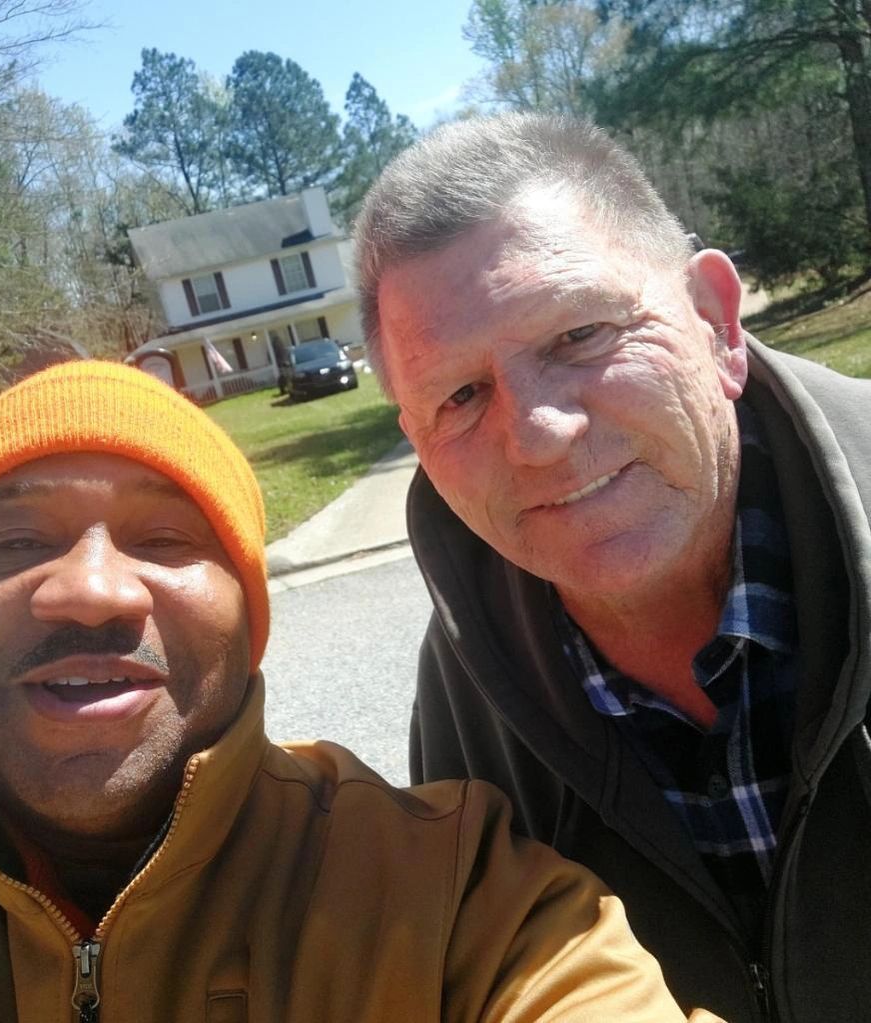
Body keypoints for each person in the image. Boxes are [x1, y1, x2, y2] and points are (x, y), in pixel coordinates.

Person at [0, 360, 713, 1022]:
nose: (94, 588)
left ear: (249, 620)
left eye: (164, 537)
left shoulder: (455, 898)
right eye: (12, 542)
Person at [353, 113, 871, 1023]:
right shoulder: (469, 689)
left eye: (579, 334)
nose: (539, 433)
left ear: (715, 321)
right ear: (420, 445)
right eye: (462, 395)